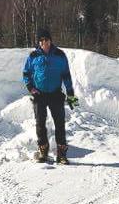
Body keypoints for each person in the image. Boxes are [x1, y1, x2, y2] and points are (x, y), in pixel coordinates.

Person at [22, 27, 79, 163]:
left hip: (55, 94)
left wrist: (70, 93)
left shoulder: (60, 55)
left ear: (50, 40)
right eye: (41, 40)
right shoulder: (33, 56)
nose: (44, 43)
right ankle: (43, 151)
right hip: (39, 95)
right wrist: (30, 87)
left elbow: (66, 75)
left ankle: (61, 154)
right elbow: (26, 73)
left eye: (46, 40)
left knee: (60, 124)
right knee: (40, 124)